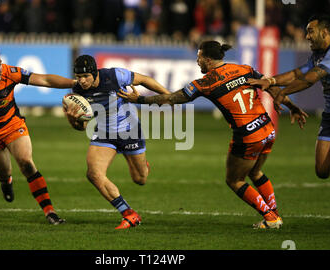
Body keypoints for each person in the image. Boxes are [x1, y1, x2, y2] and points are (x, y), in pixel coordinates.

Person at [118, 40, 308, 229]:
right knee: (255, 172)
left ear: (208, 59)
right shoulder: (244, 69)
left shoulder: (206, 82)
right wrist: (291, 106)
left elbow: (171, 99)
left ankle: (271, 217)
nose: (197, 61)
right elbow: (271, 86)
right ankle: (274, 214)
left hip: (248, 135)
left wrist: (140, 99)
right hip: (267, 128)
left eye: (198, 57)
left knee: (234, 180)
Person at [248, 14, 330, 232]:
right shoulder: (318, 55)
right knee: (322, 171)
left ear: (325, 32)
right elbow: (296, 73)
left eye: (311, 31)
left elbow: (310, 78)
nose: (306, 36)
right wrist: (270, 81)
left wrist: (281, 95)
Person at [0, 47, 76, 225]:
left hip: (13, 125)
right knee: (4, 172)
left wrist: (74, 83)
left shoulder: (9, 72)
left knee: (26, 163)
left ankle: (49, 212)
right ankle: (6, 181)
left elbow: (44, 79)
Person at [64, 55, 171, 229]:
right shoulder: (77, 93)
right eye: (78, 77)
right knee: (93, 174)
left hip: (129, 131)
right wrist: (73, 119)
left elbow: (144, 79)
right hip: (103, 132)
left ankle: (142, 166)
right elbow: (81, 127)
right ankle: (129, 214)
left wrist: (169, 97)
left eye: (85, 77)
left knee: (140, 179)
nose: (82, 81)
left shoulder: (114, 76)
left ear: (95, 73)